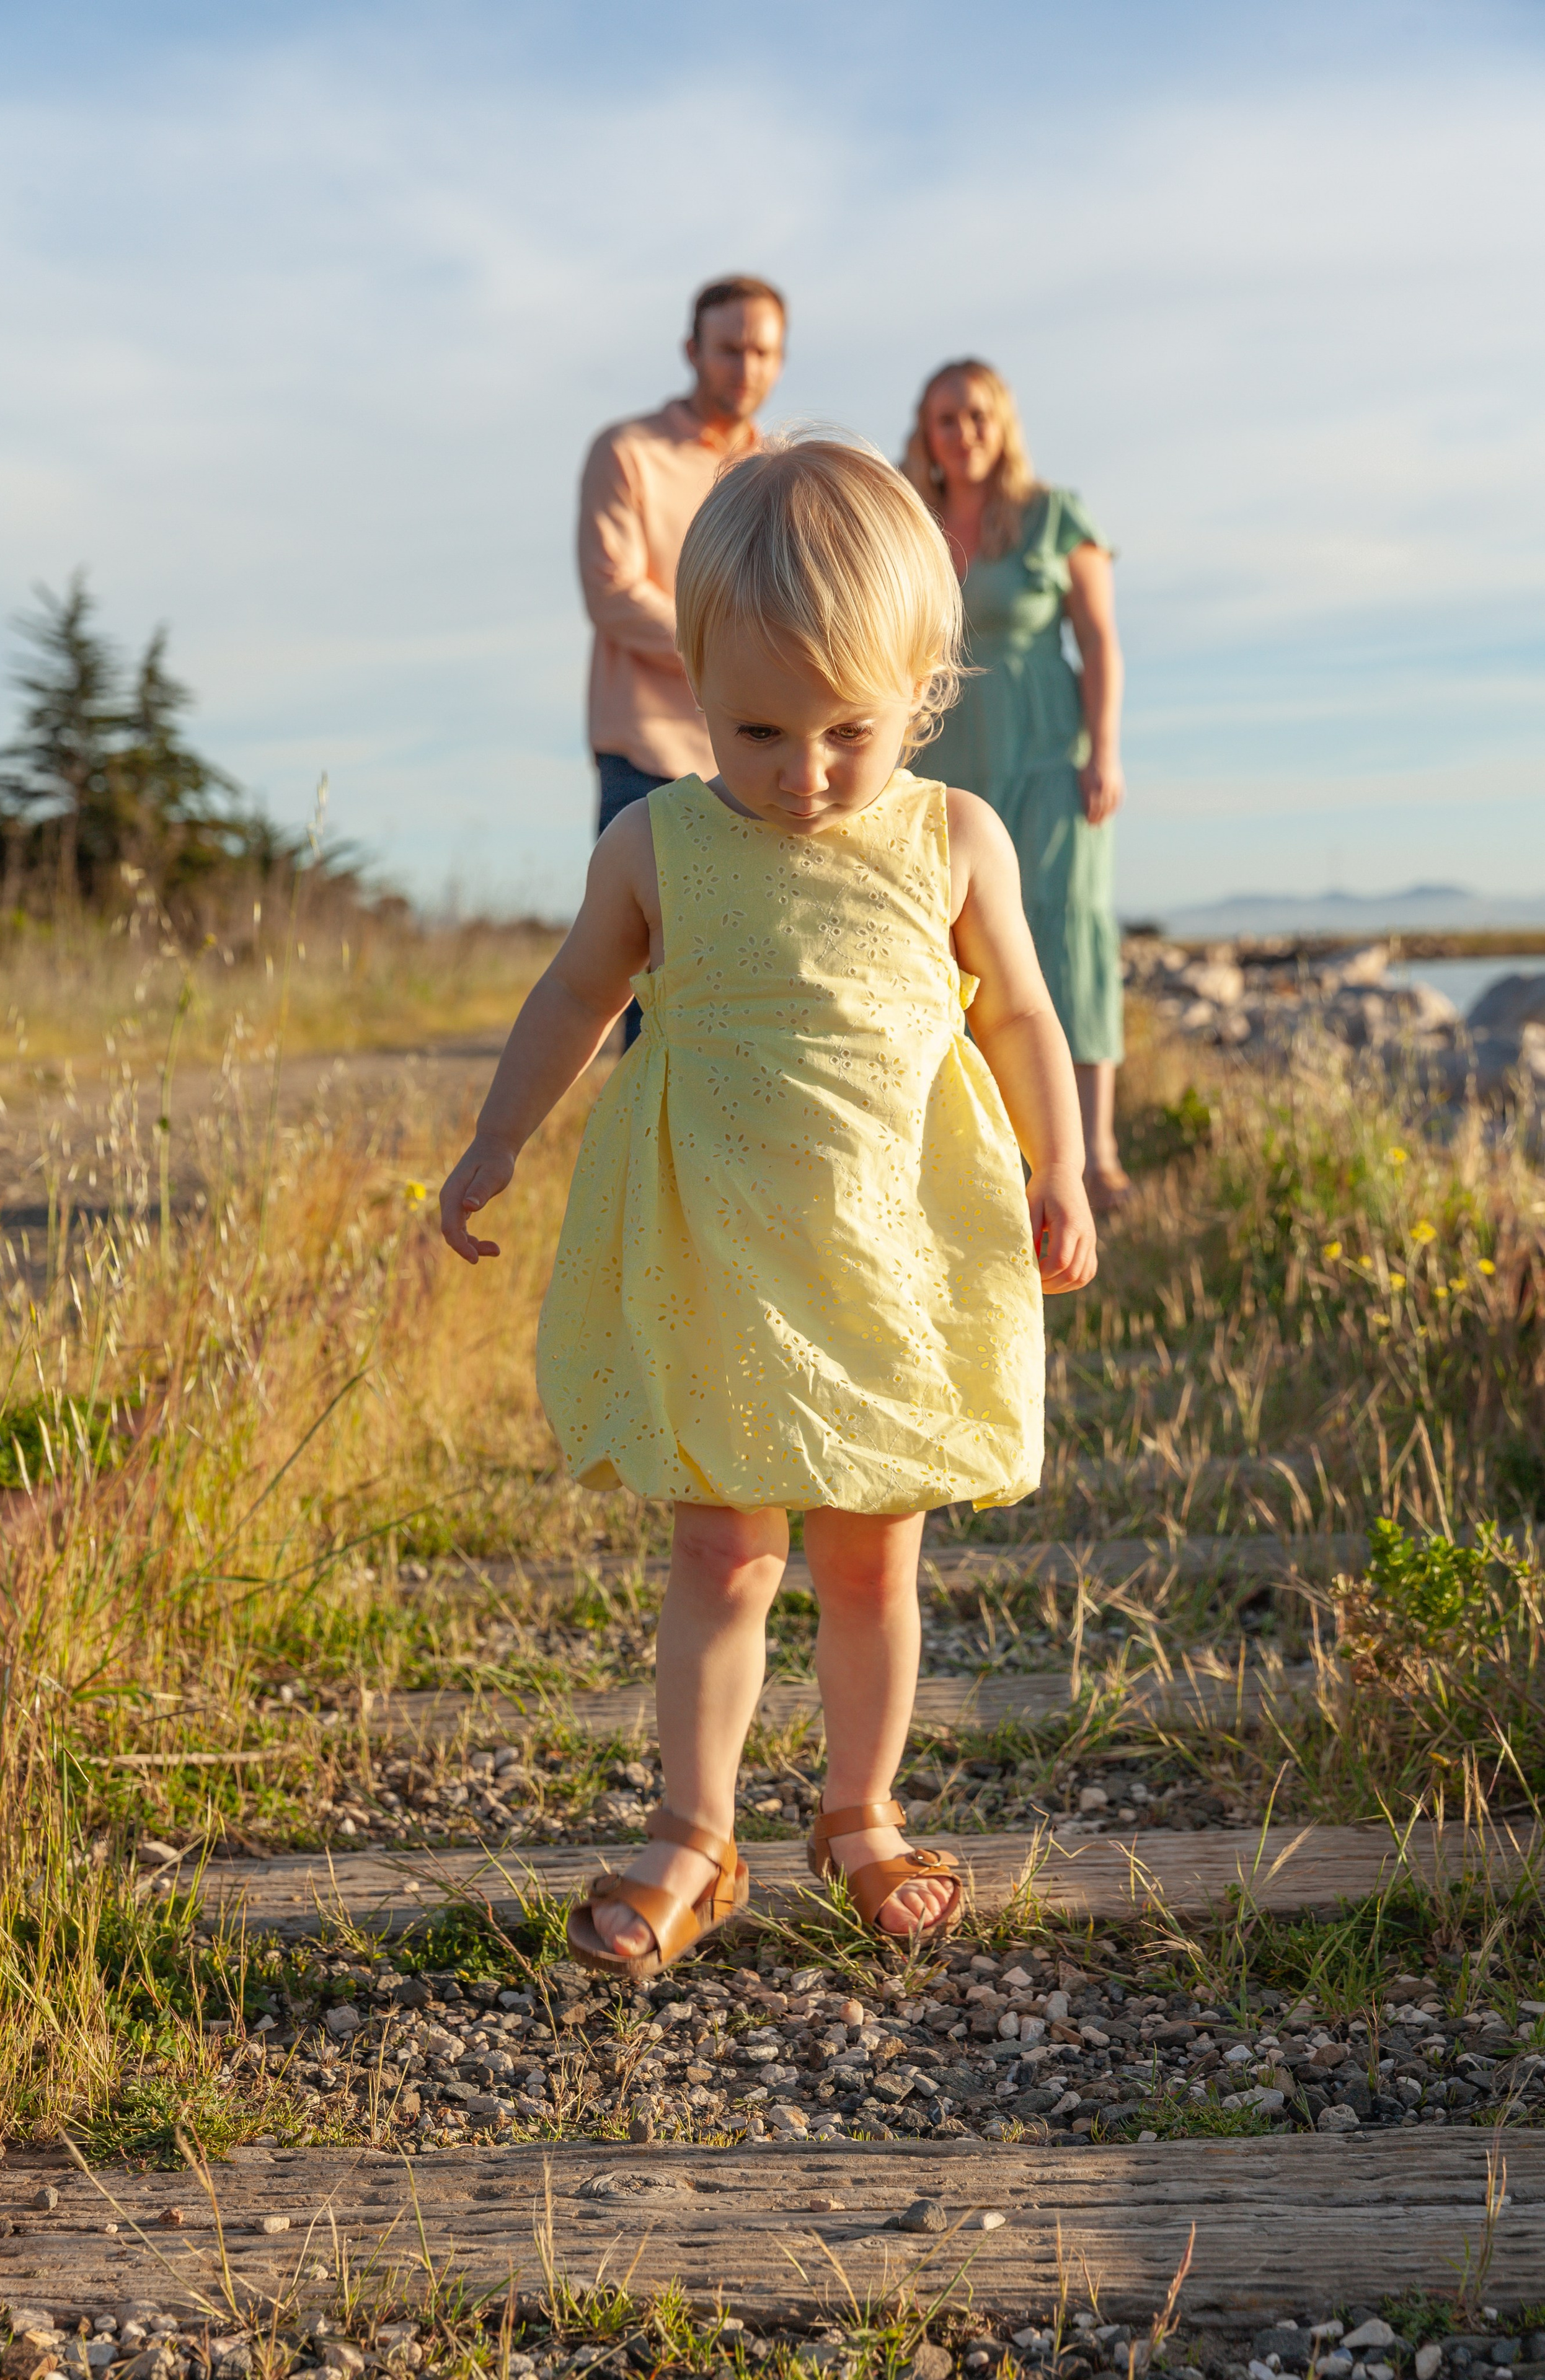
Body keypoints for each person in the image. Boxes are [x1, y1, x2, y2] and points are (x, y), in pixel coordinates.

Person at [441, 434, 1096, 1978]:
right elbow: (572, 995)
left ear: (921, 691)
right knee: (722, 1551)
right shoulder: (658, 838)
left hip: (887, 1255)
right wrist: (493, 1138)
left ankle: (859, 1813)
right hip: (718, 1258)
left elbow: (1019, 1017)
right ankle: (692, 1824)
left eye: (844, 734)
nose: (800, 773)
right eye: (756, 731)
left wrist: (1058, 1163)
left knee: (874, 1556)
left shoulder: (950, 839)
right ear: (690, 678)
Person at [903, 359, 1131, 1210]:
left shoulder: (1053, 516)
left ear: (1002, 425)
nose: (961, 432)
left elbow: (1100, 637)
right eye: (944, 418)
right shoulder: (911, 523)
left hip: (1047, 756)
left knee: (1068, 935)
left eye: (976, 415)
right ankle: (984, 1144)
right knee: (957, 947)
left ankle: (1094, 1151)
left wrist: (1104, 750)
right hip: (942, 763)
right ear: (924, 432)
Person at [578, 275, 787, 1041]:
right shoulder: (627, 454)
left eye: (763, 351)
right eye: (730, 348)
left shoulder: (785, 469)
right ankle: (646, 1159)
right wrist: (738, 653)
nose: (746, 366)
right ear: (692, 351)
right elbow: (611, 592)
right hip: (649, 752)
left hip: (765, 756)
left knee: (748, 981)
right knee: (649, 993)